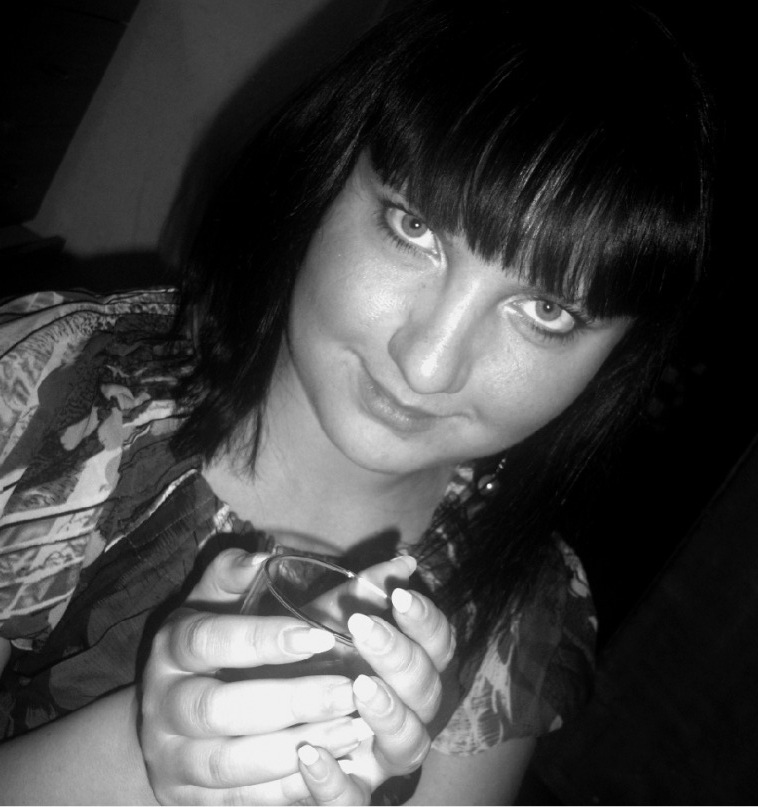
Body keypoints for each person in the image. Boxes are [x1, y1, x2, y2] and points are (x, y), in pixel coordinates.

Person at [0, 0, 714, 803]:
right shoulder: (45, 394)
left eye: (546, 310)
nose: (429, 363)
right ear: (326, 171)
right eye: (413, 227)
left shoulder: (516, 613)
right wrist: (142, 758)